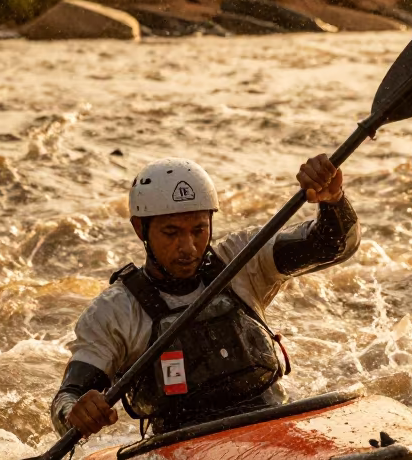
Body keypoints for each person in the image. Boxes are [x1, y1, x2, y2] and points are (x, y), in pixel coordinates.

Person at [51, 154, 360, 440]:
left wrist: (332, 200)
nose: (188, 247)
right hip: (182, 445)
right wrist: (76, 412)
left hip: (270, 423)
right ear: (139, 229)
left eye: (199, 229)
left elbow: (333, 246)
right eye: (171, 233)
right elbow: (68, 397)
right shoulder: (114, 312)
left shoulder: (245, 258)